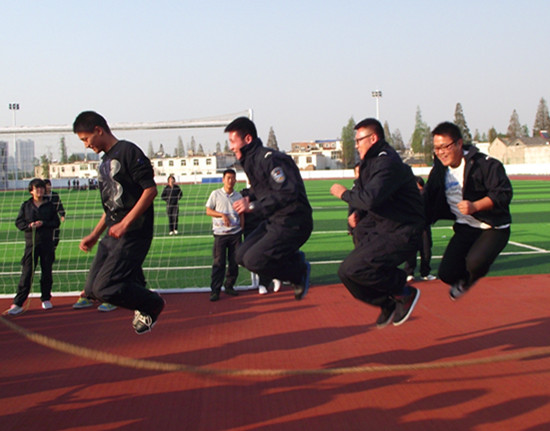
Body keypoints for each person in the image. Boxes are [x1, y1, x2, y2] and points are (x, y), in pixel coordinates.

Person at [73, 111, 165, 335]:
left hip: (133, 232)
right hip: (112, 235)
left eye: (86, 139)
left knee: (105, 288)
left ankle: (151, 304)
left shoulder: (128, 151)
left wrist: (126, 223)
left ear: (98, 130)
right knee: (91, 290)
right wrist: (95, 234)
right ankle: (137, 283)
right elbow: (111, 207)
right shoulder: (104, 162)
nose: (86, 145)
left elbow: (150, 191)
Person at [330, 118, 425, 328]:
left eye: (359, 141)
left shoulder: (386, 163)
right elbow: (364, 194)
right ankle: (386, 303)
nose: (356, 146)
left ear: (373, 139)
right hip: (381, 227)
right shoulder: (370, 163)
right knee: (347, 272)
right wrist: (356, 214)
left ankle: (403, 290)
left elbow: (369, 198)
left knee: (353, 269)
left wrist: (343, 194)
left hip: (402, 230)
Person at [226, 117, 312, 300]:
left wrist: (252, 206)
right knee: (240, 256)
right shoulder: (250, 161)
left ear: (247, 139)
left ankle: (298, 272)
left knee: (254, 260)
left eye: (233, 141)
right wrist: (249, 196)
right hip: (275, 219)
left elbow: (287, 192)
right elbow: (263, 188)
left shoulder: (271, 159)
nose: (231, 147)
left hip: (293, 221)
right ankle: (294, 260)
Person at [424, 121, 513, 300]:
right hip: (466, 227)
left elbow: (503, 194)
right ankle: (464, 279)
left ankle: (469, 280)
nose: (440, 152)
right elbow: (427, 198)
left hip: (493, 227)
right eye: (436, 148)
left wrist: (475, 206)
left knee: (474, 263)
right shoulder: (439, 170)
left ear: (459, 143)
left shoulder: (484, 165)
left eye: (445, 147)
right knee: (446, 274)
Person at [8, 178, 60, 315]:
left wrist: (44, 223)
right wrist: (29, 226)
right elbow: (19, 222)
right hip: (31, 244)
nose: (40, 190)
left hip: (47, 243)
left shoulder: (49, 205)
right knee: (27, 273)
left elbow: (56, 222)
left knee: (47, 271)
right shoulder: (26, 206)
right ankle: (18, 303)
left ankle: (46, 298)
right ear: (31, 191)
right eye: (37, 188)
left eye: (42, 188)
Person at [205, 169, 243, 302]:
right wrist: (221, 215)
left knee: (234, 261)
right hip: (220, 234)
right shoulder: (215, 194)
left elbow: (241, 214)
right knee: (219, 262)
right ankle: (215, 290)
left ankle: (229, 286)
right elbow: (208, 211)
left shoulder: (238, 196)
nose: (230, 181)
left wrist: (241, 228)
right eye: (228, 178)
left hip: (235, 234)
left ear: (236, 180)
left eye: (233, 178)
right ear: (223, 179)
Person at [240, 187, 281, 295]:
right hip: (249, 230)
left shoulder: (266, 193)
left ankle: (263, 283)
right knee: (246, 257)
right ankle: (273, 274)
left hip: (264, 228)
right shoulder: (243, 193)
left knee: (264, 255)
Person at [404, 176, 436, 282]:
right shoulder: (407, 197)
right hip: (411, 228)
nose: (420, 191)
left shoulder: (426, 196)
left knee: (426, 251)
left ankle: (425, 273)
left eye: (420, 188)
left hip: (424, 227)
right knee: (411, 252)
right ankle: (409, 273)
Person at [43, 179, 66, 256]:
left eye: (49, 185)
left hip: (54, 219)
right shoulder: (41, 196)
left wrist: (62, 215)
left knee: (56, 237)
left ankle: (52, 250)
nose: (48, 187)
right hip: (45, 219)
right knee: (46, 237)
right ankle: (47, 253)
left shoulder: (55, 195)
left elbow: (59, 205)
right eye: (46, 185)